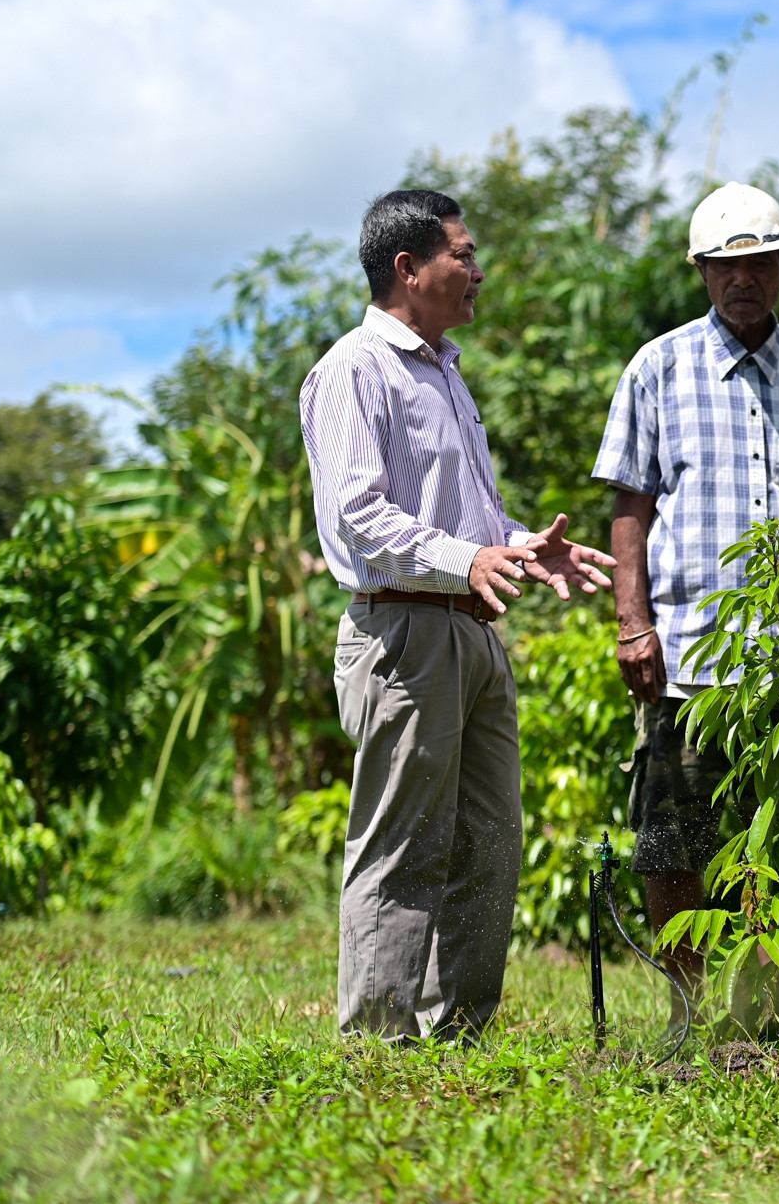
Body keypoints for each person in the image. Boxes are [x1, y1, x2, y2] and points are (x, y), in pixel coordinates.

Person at [301, 189, 616, 1042]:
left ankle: (458, 1034)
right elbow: (361, 514)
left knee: (488, 838)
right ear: (408, 268)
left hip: (472, 630)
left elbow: (464, 516)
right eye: (463, 255)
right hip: (402, 628)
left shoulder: (445, 368)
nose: (477, 272)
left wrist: (516, 546)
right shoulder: (354, 369)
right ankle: (377, 1042)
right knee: (403, 842)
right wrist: (465, 559)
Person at [593, 182, 779, 1025]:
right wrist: (632, 624)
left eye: (756, 264)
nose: (739, 280)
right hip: (689, 651)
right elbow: (630, 506)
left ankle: (773, 1005)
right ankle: (686, 1005)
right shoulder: (658, 368)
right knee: (676, 836)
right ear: (702, 274)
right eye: (722, 266)